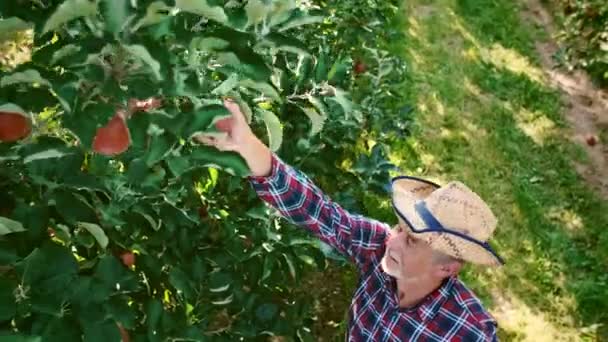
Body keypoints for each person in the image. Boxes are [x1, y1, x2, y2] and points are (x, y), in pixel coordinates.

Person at [197, 99, 503, 341]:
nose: (392, 240)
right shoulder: (378, 250)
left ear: (447, 268)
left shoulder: (468, 332)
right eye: (399, 228)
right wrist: (246, 143)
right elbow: (317, 211)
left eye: (411, 240)